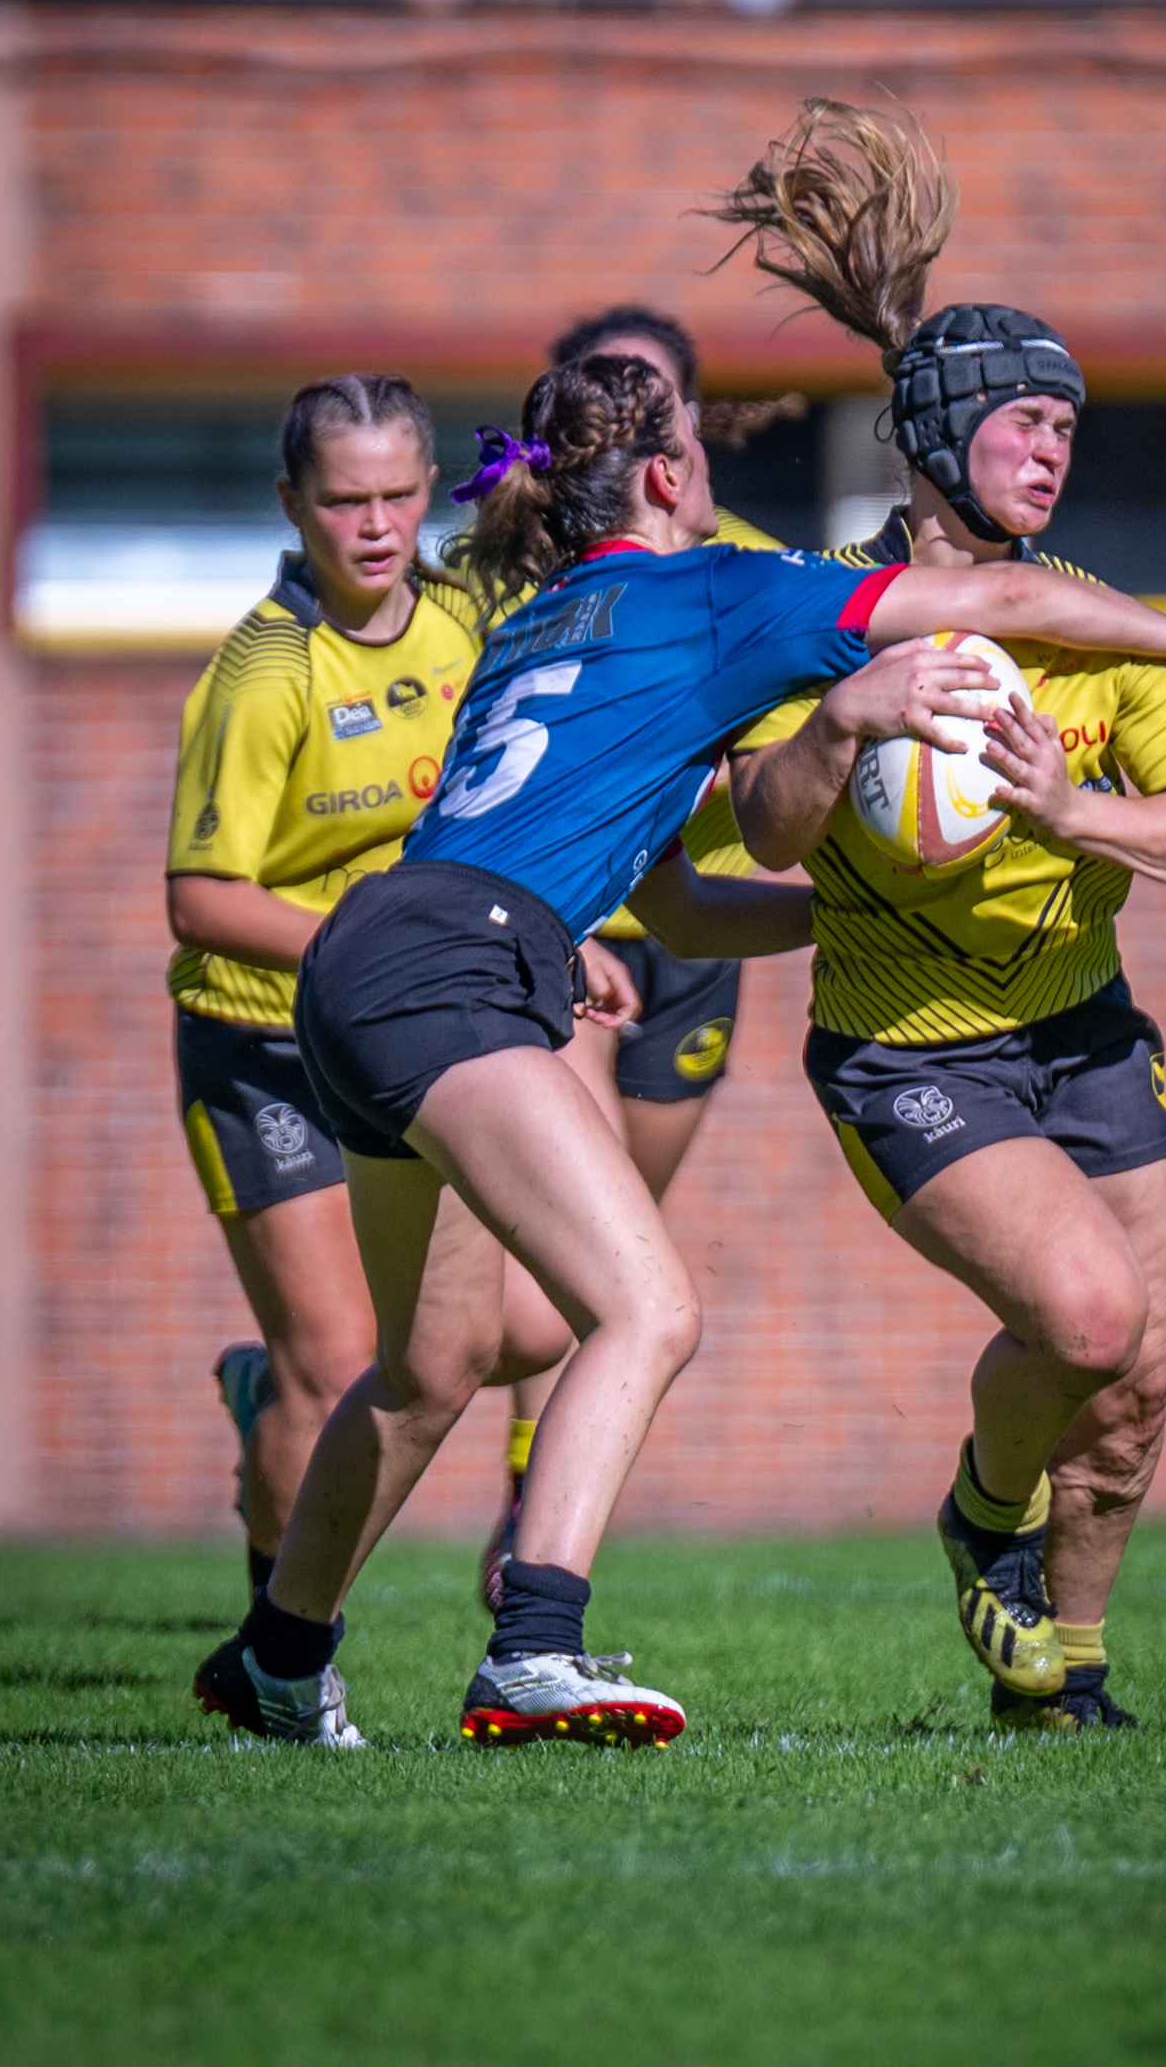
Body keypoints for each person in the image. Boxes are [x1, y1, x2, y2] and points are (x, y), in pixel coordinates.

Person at [188, 343, 1166, 1751]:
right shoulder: (710, 587)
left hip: (366, 954)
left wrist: (837, 915)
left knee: (427, 1366)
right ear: (663, 480)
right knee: (648, 1307)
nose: (724, 497)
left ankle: (280, 1654)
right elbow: (1005, 592)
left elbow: (684, 905)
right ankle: (533, 1645)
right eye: (705, 470)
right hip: (460, 968)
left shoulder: (540, 623)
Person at [715, 100, 1166, 1731]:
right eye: (1025, 421)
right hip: (913, 1049)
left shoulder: (1097, 628)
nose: (1052, 451)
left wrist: (1065, 809)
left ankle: (1066, 1679)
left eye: (1066, 429)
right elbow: (762, 834)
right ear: (942, 431)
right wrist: (843, 724)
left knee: (1144, 1365)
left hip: (1087, 1030)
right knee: (1086, 1315)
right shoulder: (819, 617)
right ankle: (984, 1516)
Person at [167, 374, 576, 1631]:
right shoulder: (264, 673)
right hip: (264, 1045)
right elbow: (201, 896)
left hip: (406, 1032)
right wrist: (365, 941)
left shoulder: (465, 615)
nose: (377, 523)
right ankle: (288, 1649)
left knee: (538, 1325)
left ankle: (271, 1406)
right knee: (343, 1359)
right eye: (345, 499)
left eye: (401, 493)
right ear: (293, 503)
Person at [478, 303, 787, 1613]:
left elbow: (784, 777)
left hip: (689, 914)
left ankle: (480, 1447)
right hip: (569, 929)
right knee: (594, 1270)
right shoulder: (523, 577)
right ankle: (530, 1545)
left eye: (654, 399)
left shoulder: (752, 565)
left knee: (607, 1240)